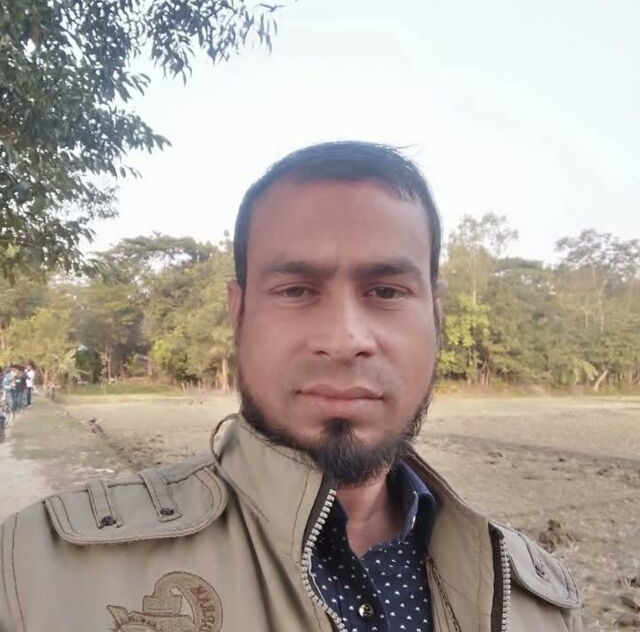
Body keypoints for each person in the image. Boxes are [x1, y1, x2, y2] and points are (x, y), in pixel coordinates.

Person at [0, 142, 582, 631]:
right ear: (239, 312)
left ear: (435, 312)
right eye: (297, 290)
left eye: (385, 291)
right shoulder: (39, 571)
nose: (345, 339)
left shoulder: (539, 603)